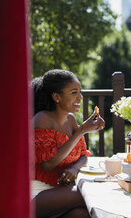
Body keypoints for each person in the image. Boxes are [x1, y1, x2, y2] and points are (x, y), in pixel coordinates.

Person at [32, 69, 105, 218]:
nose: (80, 97)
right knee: (89, 193)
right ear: (57, 97)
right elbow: (48, 164)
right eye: (73, 92)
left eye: (80, 92)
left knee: (83, 214)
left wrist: (75, 168)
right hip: (37, 193)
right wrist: (81, 131)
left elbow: (84, 155)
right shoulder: (42, 119)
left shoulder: (70, 119)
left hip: (61, 192)